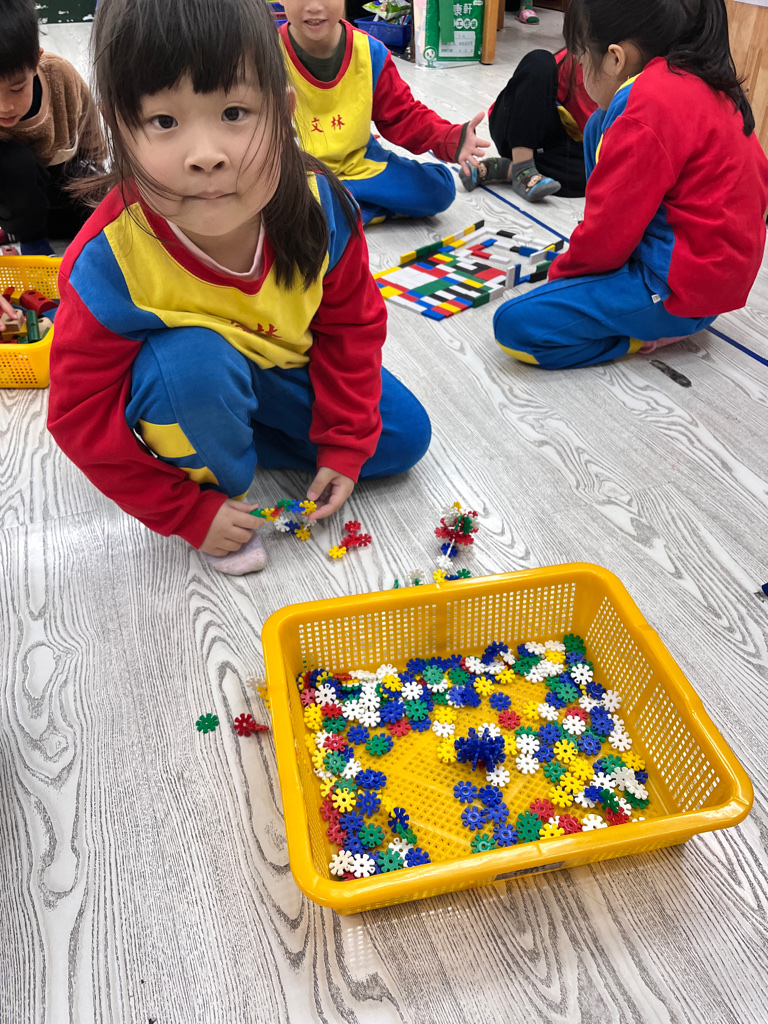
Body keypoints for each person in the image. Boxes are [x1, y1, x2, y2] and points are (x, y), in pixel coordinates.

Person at [46, 0, 431, 576]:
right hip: (195, 374)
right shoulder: (107, 259)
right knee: (191, 370)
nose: (206, 156)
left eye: (234, 112)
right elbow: (79, 413)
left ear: (284, 112)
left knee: (400, 439)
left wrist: (344, 442)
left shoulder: (322, 205)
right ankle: (210, 462)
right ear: (119, 131)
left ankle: (233, 427)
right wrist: (186, 511)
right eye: (163, 122)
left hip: (283, 368)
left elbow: (350, 327)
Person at [493, 0, 768, 369]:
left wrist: (562, 280)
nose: (579, 72)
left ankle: (645, 335)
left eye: (581, 59)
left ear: (615, 59)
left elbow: (606, 239)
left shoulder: (646, 104)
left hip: (681, 292)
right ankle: (643, 303)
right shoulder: (696, 79)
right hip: (706, 276)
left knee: (514, 327)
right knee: (598, 123)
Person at [278, 0, 490, 224]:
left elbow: (403, 115)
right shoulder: (266, 53)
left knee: (441, 190)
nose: (314, 6)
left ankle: (346, 209)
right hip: (301, 174)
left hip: (361, 166)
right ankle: (349, 209)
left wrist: (450, 138)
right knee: (292, 214)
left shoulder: (369, 51)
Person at [0, 0, 105, 255]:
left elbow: (89, 126)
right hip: (15, 189)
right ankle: (30, 239)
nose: (5, 107)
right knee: (14, 165)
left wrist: (97, 177)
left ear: (36, 60)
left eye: (17, 89)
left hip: (60, 181)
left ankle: (21, 229)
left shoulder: (60, 75)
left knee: (103, 211)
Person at [461, 48, 597, 201]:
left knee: (597, 175)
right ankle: (523, 166)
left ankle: (509, 169)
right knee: (540, 60)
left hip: (560, 146)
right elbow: (524, 94)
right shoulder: (574, 59)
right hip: (517, 129)